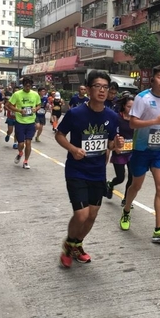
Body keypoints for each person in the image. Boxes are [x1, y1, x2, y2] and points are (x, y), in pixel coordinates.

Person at [55, 70, 124, 268]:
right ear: (88, 88)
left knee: (92, 215)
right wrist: (73, 149)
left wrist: (116, 145)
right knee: (81, 215)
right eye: (97, 86)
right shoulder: (76, 113)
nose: (102, 91)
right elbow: (59, 135)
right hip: (76, 170)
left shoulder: (112, 116)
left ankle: (77, 244)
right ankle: (68, 245)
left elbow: (110, 144)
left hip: (98, 172)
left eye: (105, 87)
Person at [119, 64, 160, 242]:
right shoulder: (142, 98)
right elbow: (133, 123)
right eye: (159, 77)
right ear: (152, 80)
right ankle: (126, 210)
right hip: (141, 149)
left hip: (159, 150)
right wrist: (155, 121)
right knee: (136, 185)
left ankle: (158, 228)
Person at [106, 94, 135, 212]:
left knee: (132, 177)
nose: (131, 109)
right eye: (129, 107)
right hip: (120, 151)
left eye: (133, 107)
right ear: (123, 106)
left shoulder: (136, 119)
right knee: (121, 177)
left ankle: (126, 200)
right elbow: (112, 133)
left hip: (132, 151)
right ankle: (111, 184)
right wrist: (115, 145)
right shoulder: (117, 118)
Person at [7, 77, 41, 169]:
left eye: (29, 86)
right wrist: (19, 111)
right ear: (23, 85)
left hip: (31, 122)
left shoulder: (35, 94)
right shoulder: (17, 94)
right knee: (21, 144)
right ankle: (20, 153)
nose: (28, 87)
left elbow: (39, 105)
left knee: (28, 142)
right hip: (20, 122)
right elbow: (9, 105)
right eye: (26, 85)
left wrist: (36, 109)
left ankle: (26, 161)